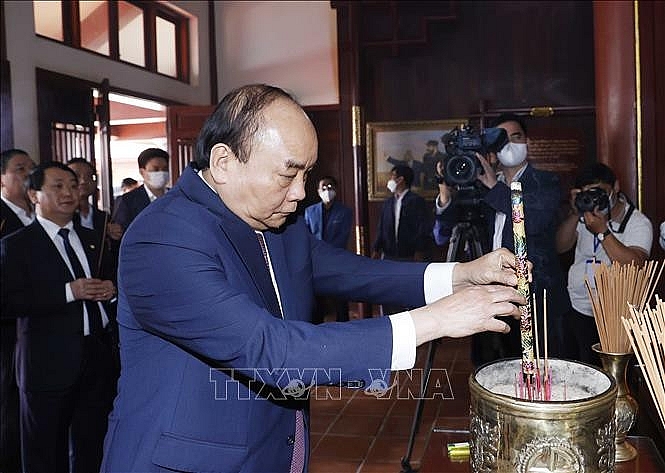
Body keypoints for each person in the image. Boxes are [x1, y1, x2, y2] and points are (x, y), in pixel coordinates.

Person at [101, 84, 526, 473]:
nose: (301, 192)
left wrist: (461, 275)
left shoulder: (272, 221)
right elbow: (269, 350)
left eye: (306, 174)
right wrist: (434, 321)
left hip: (271, 447)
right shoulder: (163, 239)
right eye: (288, 174)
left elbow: (352, 271)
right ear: (224, 162)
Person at [0, 161, 118, 472]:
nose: (69, 192)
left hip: (96, 358)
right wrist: (69, 291)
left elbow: (111, 280)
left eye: (73, 185)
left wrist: (111, 290)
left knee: (93, 444)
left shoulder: (94, 238)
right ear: (34, 194)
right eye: (57, 186)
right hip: (46, 363)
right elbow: (7, 303)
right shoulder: (17, 246)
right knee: (44, 452)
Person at [433, 113, 571, 367]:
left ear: (526, 142)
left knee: (541, 370)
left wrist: (492, 187)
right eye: (501, 138)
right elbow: (443, 233)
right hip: (492, 294)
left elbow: (535, 221)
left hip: (536, 296)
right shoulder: (484, 186)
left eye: (515, 137)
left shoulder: (545, 182)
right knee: (495, 369)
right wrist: (445, 188)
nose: (509, 143)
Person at [556, 162, 653, 365]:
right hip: (579, 307)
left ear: (615, 187)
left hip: (615, 314)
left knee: (610, 375)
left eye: (598, 192)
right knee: (581, 370)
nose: (593, 199)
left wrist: (603, 231)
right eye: (586, 194)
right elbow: (561, 246)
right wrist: (575, 213)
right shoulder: (584, 217)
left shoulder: (637, 222)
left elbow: (635, 265)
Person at [0, 148, 35, 473]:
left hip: (39, 330)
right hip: (7, 331)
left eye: (31, 168)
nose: (27, 173)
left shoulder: (39, 213)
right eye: (19, 168)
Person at [304, 176, 353, 322]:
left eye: (330, 187)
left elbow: (342, 237)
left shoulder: (344, 212)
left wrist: (328, 254)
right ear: (318, 191)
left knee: (340, 300)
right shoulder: (310, 211)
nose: (327, 190)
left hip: (337, 260)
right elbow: (307, 236)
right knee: (317, 301)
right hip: (315, 262)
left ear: (336, 189)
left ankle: (345, 329)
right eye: (323, 188)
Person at [112, 147, 170, 231]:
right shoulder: (128, 200)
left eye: (165, 169)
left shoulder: (178, 197)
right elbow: (121, 233)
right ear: (142, 172)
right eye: (155, 169)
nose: (161, 173)